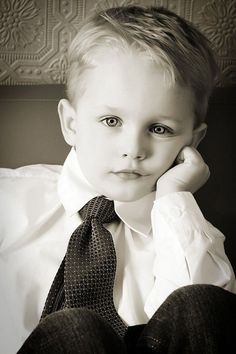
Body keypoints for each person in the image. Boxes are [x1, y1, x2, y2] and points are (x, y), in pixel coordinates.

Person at [0, 4, 236, 354]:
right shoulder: (8, 199)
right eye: (111, 121)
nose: (133, 149)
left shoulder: (181, 232)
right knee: (76, 330)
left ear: (191, 142)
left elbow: (211, 329)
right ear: (71, 124)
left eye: (159, 129)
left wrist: (174, 198)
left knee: (200, 303)